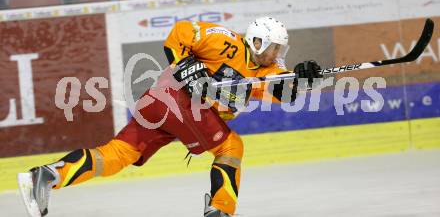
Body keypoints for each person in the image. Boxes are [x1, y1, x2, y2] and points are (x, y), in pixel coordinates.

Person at [17, 17, 322, 217]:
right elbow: (181, 32)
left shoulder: (268, 72)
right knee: (231, 148)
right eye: (273, 49)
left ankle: (46, 176)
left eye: (280, 50)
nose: (276, 55)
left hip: (159, 104)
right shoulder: (224, 40)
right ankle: (221, 209)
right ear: (256, 42)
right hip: (178, 98)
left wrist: (307, 77)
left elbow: (285, 91)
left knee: (118, 155)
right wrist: (186, 64)